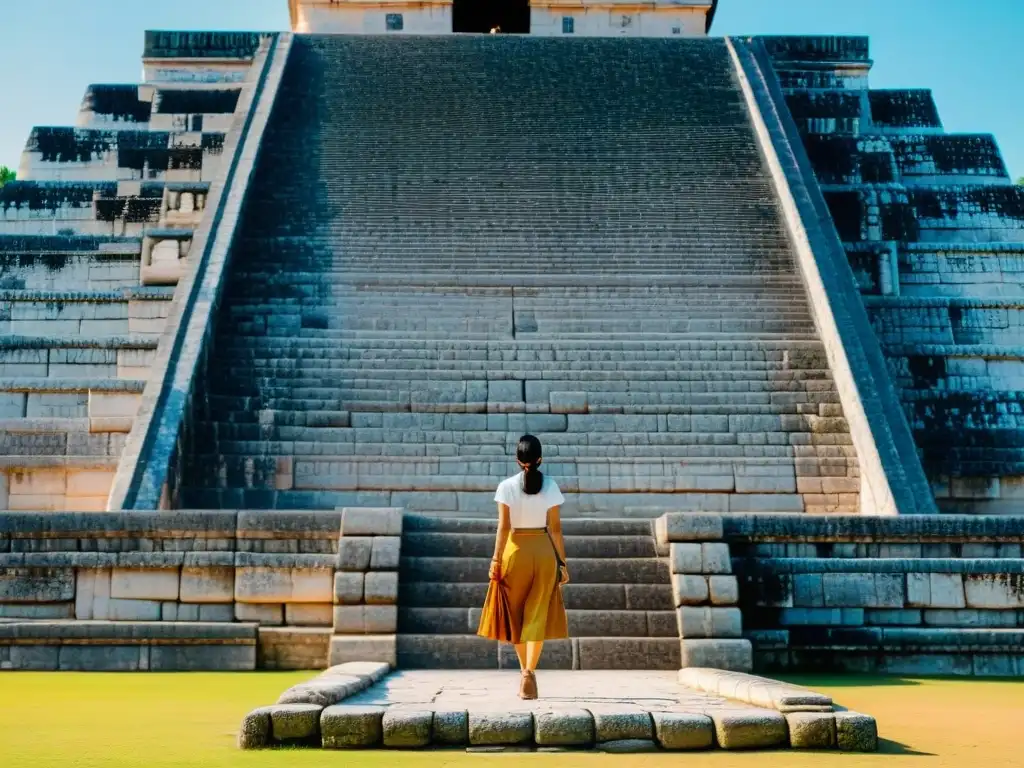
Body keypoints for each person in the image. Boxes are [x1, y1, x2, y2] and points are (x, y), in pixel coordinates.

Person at [477, 434, 569, 700]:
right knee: (537, 615)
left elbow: (503, 527)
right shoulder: (551, 485)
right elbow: (556, 529)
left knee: (515, 616)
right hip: (542, 552)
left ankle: (524, 675)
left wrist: (495, 559)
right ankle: (530, 671)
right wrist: (562, 562)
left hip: (514, 551)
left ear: (518, 461)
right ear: (540, 459)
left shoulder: (505, 486)